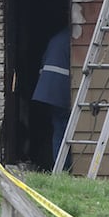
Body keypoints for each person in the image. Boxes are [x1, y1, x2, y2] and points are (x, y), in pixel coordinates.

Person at [32, 26, 72, 172]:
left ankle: (59, 165)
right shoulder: (71, 38)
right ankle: (64, 167)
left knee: (58, 127)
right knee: (64, 127)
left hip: (48, 90)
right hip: (61, 90)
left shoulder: (57, 38)